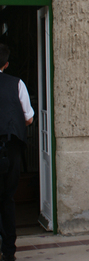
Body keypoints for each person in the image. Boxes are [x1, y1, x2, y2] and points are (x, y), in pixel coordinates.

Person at [0, 43, 34, 261]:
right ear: (6, 64)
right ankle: (8, 251)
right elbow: (29, 118)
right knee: (7, 198)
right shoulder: (17, 84)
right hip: (8, 149)